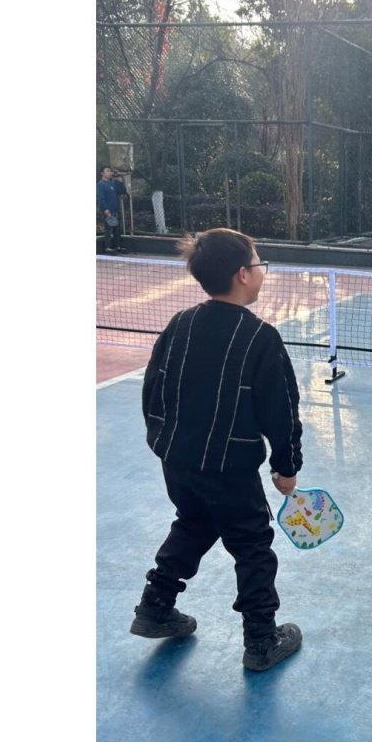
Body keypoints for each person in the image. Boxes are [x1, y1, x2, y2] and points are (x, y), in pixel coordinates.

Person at [131, 228, 305, 672]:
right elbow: (281, 411)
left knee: (193, 524)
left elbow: (154, 389)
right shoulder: (260, 337)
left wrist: (164, 441)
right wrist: (287, 467)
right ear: (243, 274)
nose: (262, 272)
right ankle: (262, 641)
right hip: (229, 470)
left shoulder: (180, 324)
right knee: (252, 547)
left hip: (179, 462)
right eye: (260, 264)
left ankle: (154, 608)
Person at [96, 166, 124, 254]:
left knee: (116, 229)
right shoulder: (101, 184)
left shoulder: (113, 183)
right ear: (102, 174)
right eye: (107, 171)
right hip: (108, 210)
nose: (110, 172)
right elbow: (101, 198)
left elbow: (121, 191)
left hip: (115, 209)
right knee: (108, 229)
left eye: (110, 171)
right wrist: (105, 209)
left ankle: (118, 246)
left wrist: (120, 182)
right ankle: (108, 247)